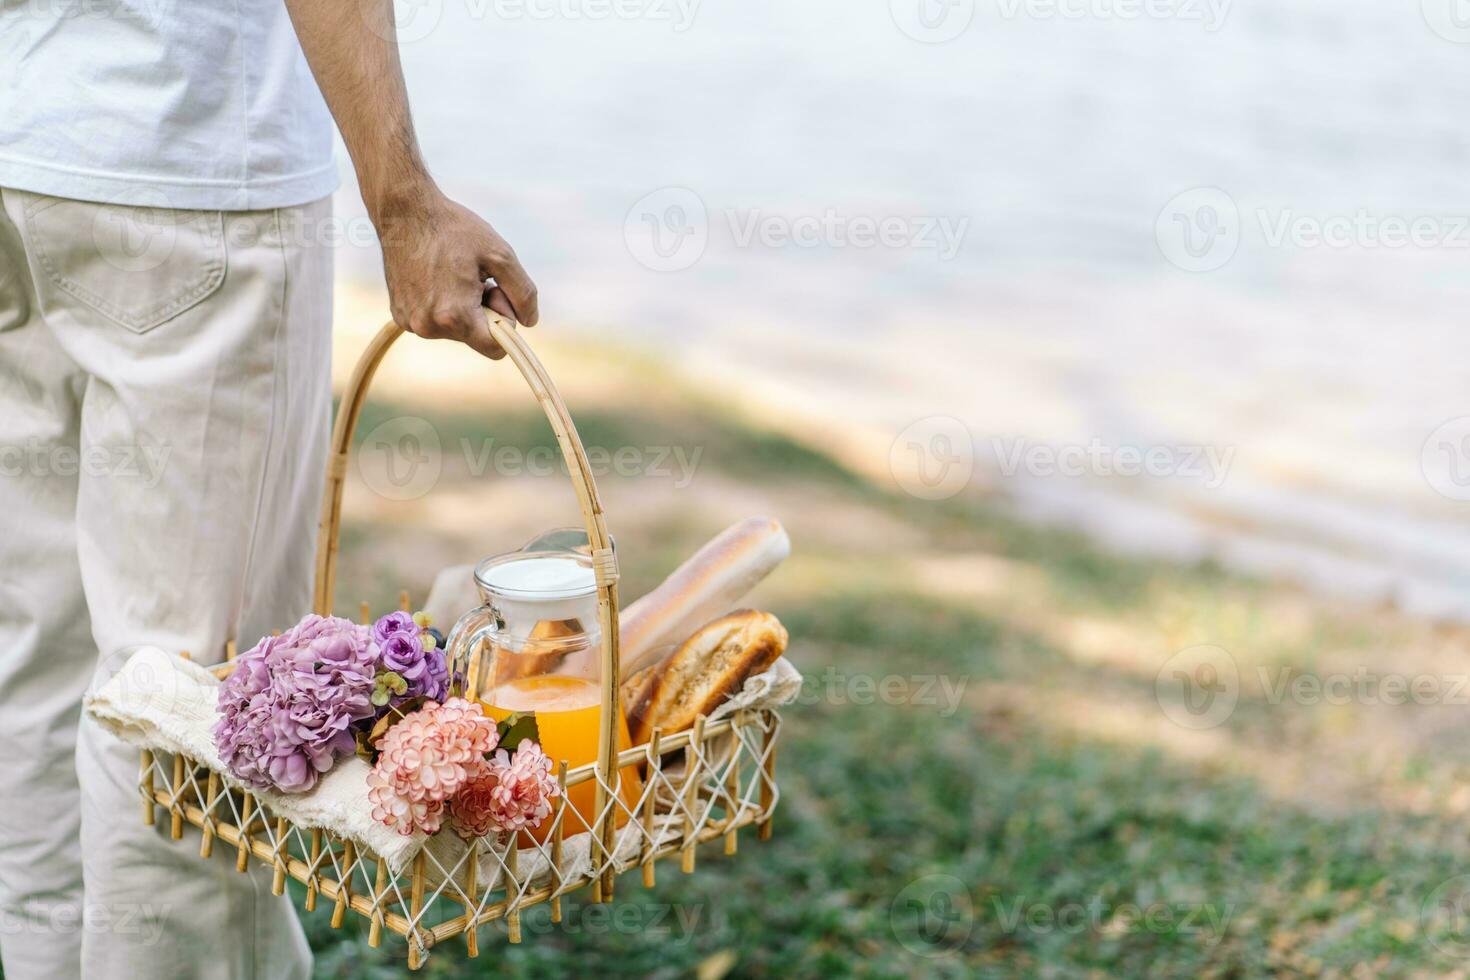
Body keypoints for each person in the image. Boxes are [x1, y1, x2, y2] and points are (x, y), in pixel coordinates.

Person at [0, 0, 536, 975]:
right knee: (193, 696)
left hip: (24, 156)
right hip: (183, 165)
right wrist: (403, 198)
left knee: (39, 652)